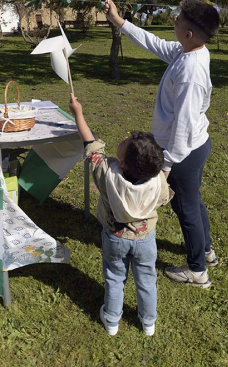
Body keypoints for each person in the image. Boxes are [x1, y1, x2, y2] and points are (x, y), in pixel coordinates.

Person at [104, 0, 219, 289]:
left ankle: (197, 271)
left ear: (189, 33)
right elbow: (153, 42)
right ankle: (206, 251)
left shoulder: (191, 73)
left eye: (178, 20)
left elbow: (185, 125)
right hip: (191, 146)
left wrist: (167, 166)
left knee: (187, 208)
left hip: (185, 151)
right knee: (191, 202)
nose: (174, 22)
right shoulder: (187, 51)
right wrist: (120, 21)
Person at [69, 95, 172, 336]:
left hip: (115, 238)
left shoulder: (107, 175)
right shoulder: (157, 180)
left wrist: (78, 114)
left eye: (124, 142)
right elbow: (164, 195)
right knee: (147, 279)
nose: (124, 138)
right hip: (145, 239)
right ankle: (148, 323)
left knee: (115, 277)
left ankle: (112, 320)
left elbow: (90, 144)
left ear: (123, 163)